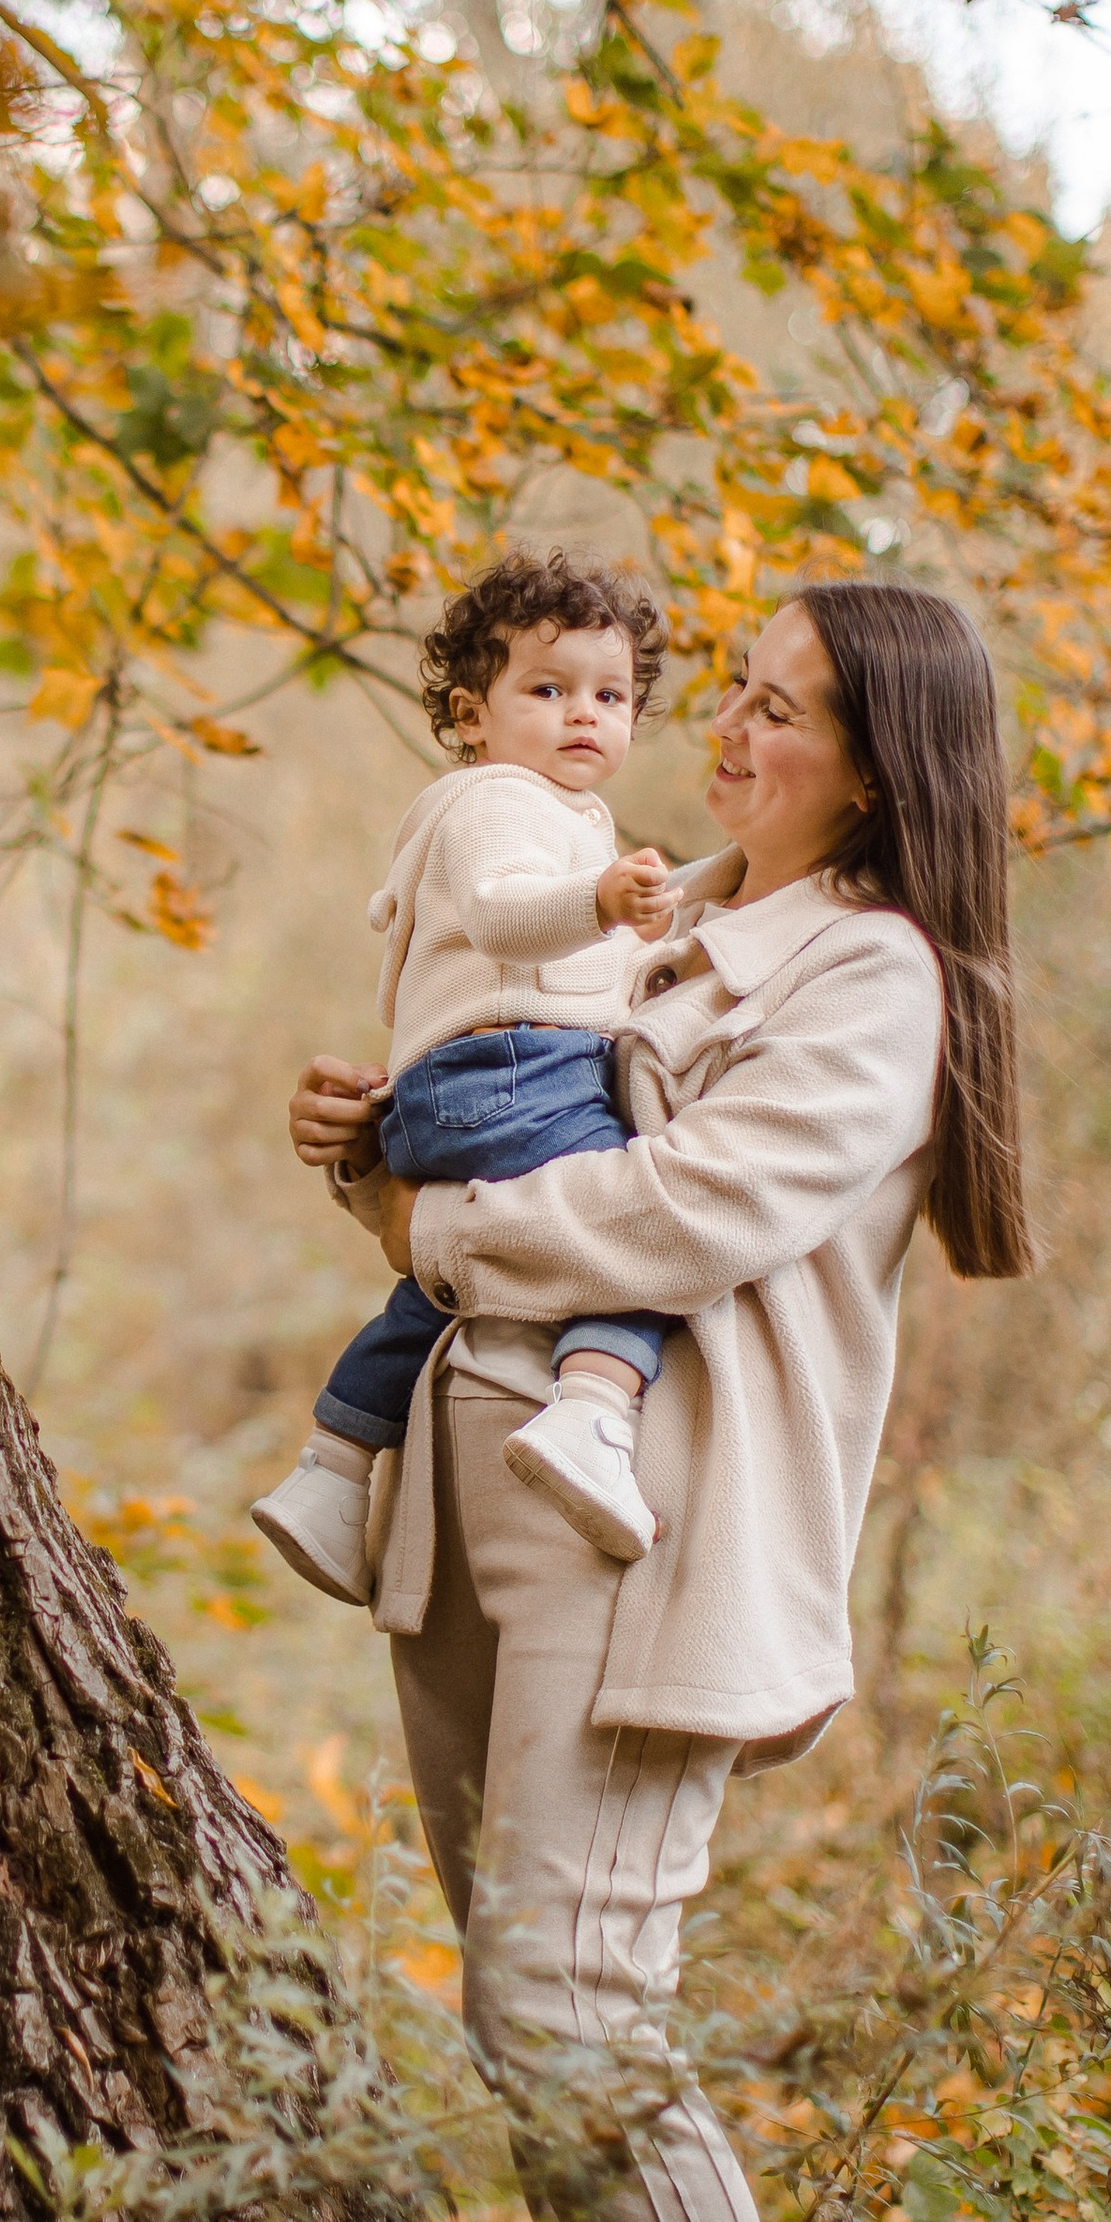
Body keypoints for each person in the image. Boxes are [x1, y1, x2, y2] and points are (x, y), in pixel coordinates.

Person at [286, 579, 1031, 2222]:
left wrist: (435, 1222)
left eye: (781, 713)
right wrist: (373, 1144)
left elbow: (685, 1211)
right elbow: (491, 1115)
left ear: (879, 772)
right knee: (529, 2034)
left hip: (647, 1532)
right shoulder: (640, 911)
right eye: (736, 692)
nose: (725, 732)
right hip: (468, 1503)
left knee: (574, 2018)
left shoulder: (871, 976)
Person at [250, 550, 684, 1610]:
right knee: (637, 1235)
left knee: (438, 1287)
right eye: (548, 689)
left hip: (455, 1088)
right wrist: (602, 902)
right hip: (518, 1071)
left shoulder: (537, 811)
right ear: (470, 714)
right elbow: (502, 914)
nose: (583, 714)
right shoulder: (500, 800)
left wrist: (634, 943)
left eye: (611, 696)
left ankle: (331, 1471)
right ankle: (591, 1414)